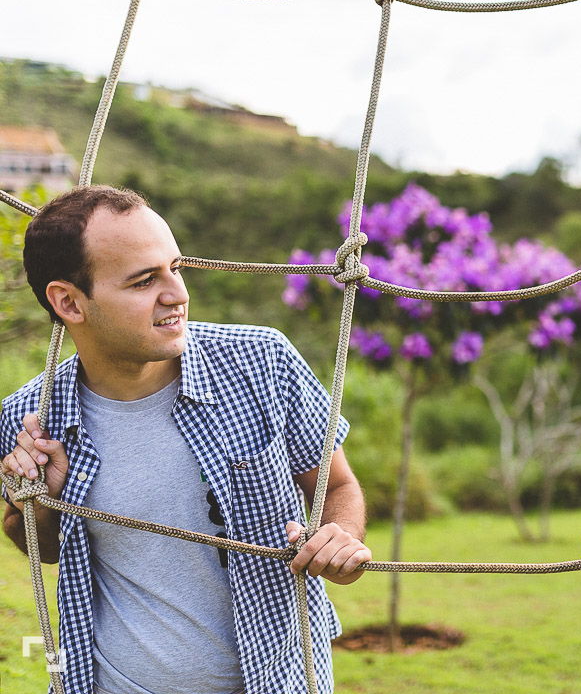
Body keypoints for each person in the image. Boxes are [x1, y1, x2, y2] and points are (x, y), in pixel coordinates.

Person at [0, 185, 372, 694]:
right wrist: (46, 502)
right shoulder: (31, 416)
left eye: (175, 268)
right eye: (143, 281)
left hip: (281, 679)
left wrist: (341, 539)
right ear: (69, 302)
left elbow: (336, 487)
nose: (176, 294)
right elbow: (37, 545)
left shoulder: (263, 362)